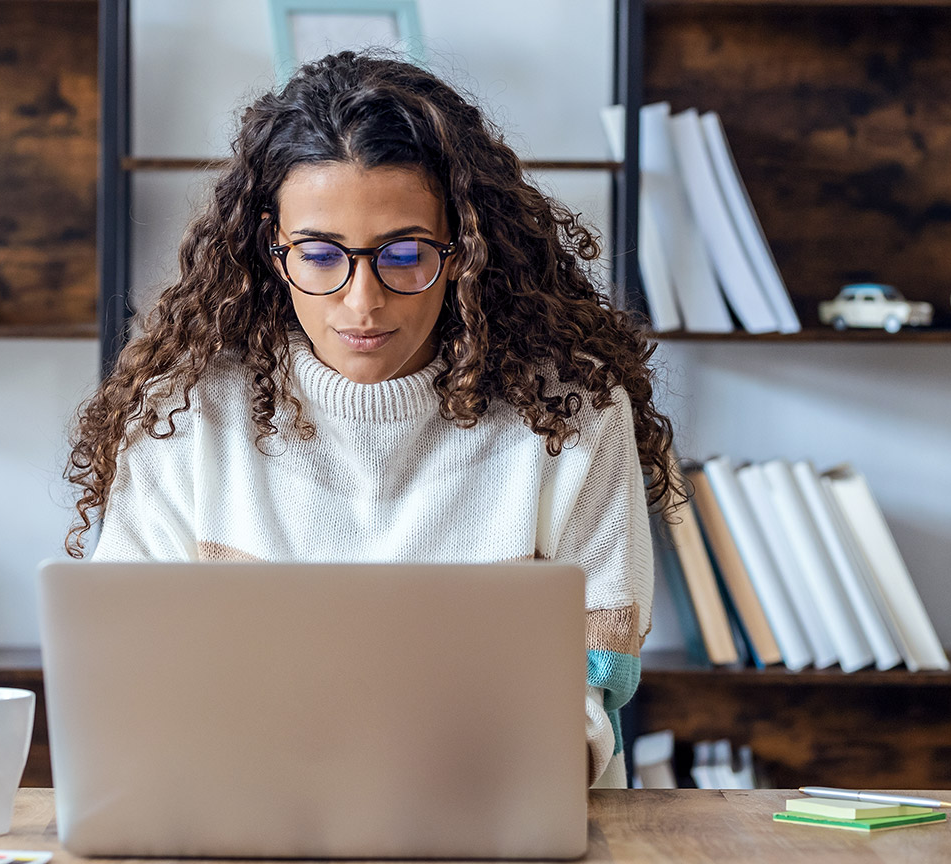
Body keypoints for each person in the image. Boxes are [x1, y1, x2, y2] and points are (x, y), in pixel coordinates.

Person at [66, 52, 677, 788]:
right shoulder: (185, 414)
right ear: (272, 248)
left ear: (464, 249)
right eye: (321, 256)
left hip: (497, 808)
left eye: (406, 253)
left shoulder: (572, 410)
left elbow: (593, 677)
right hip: (249, 811)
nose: (363, 303)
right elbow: (131, 673)